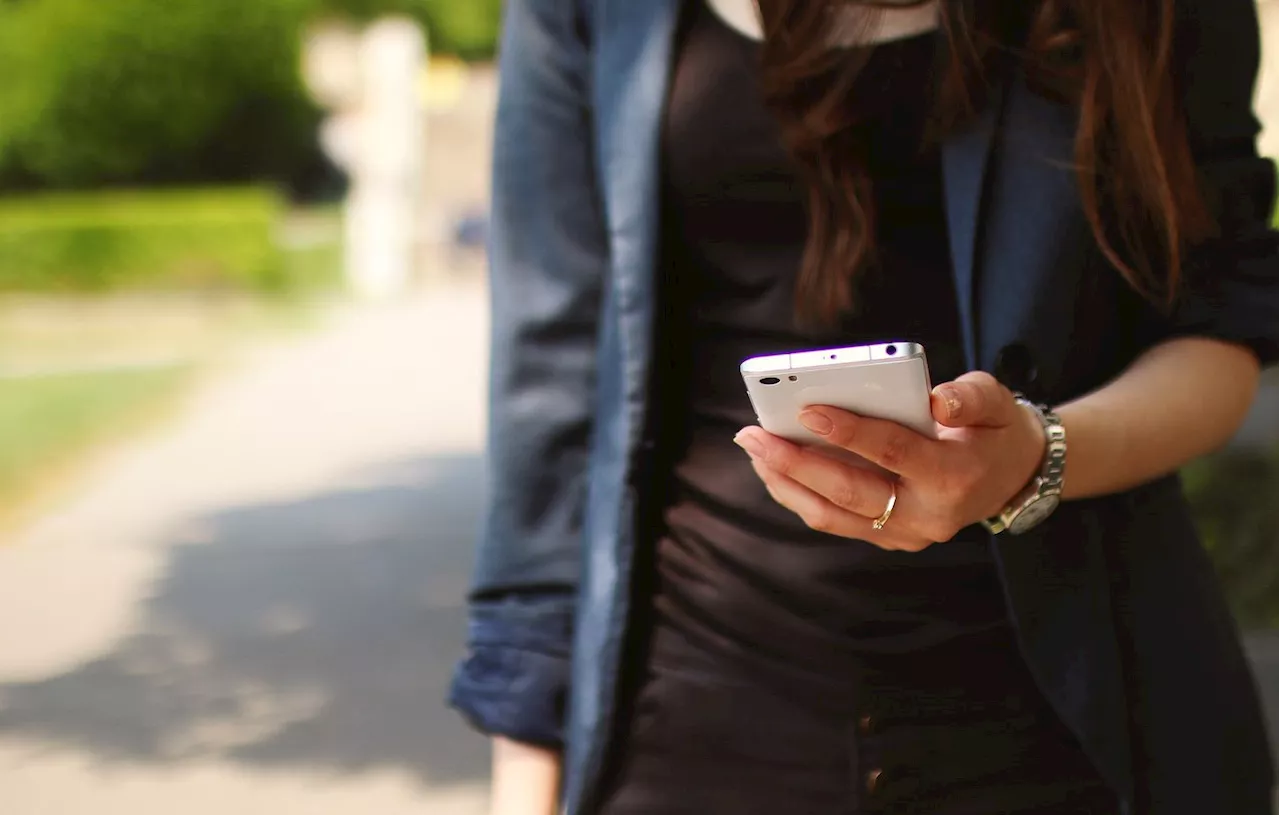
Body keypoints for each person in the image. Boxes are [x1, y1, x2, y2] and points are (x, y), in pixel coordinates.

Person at [449, 0, 1280, 813]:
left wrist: (1035, 458)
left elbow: (1223, 327)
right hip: (689, 713)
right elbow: (551, 400)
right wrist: (526, 777)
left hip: (1082, 715)